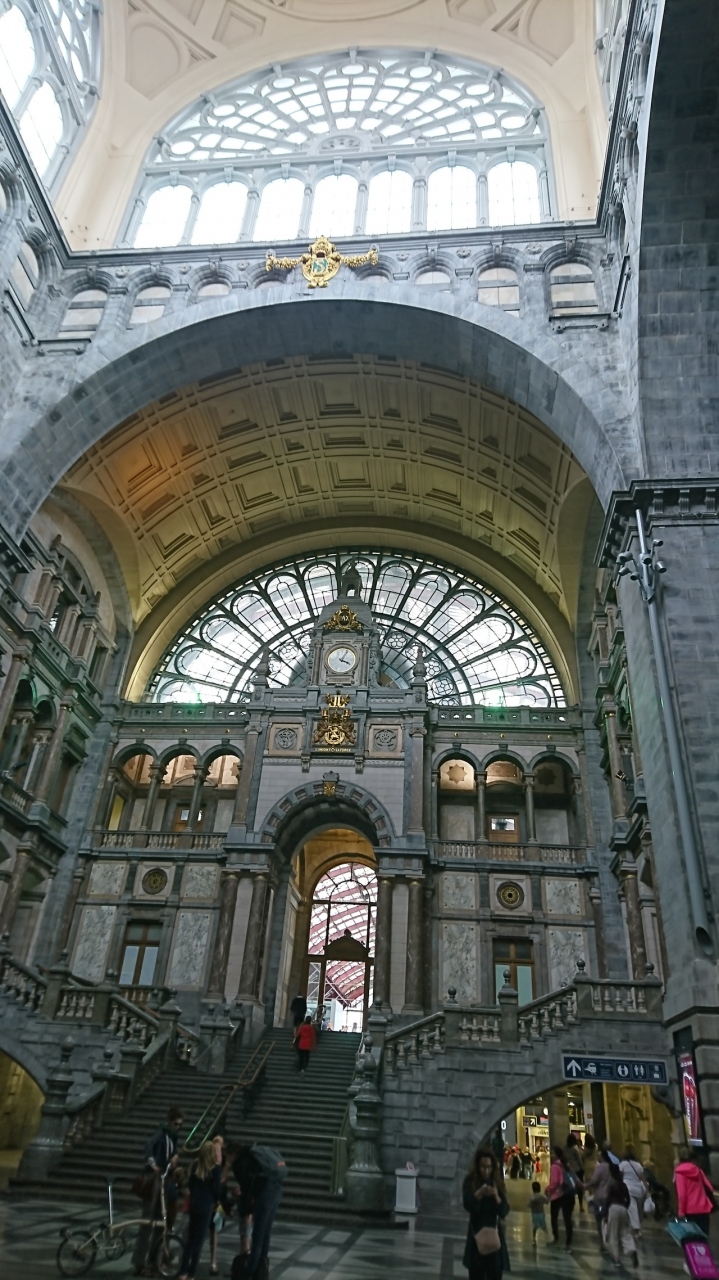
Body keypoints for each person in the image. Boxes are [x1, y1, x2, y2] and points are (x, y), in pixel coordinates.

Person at [133, 1105, 184, 1277]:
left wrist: (174, 1159)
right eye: (176, 1124)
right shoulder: (162, 1133)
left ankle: (154, 1261)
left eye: (180, 1125)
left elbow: (172, 1156)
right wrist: (152, 1163)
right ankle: (140, 1262)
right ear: (169, 1121)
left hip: (165, 1180)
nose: (177, 1127)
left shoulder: (173, 1137)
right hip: (155, 1179)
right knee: (147, 1222)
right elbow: (148, 1145)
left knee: (161, 1222)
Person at [231, 1141, 287, 1279]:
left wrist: (245, 1209)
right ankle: (262, 1266)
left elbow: (246, 1188)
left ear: (233, 1154)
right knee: (265, 1232)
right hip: (276, 1189)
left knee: (258, 1234)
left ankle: (250, 1270)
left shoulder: (239, 1162)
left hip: (265, 1194)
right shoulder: (252, 1156)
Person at [462, 1145, 510, 1280]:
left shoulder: (497, 1183)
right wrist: (480, 1193)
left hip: (494, 1235)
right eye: (483, 1167)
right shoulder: (470, 1181)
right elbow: (468, 1204)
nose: (486, 1171)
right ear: (477, 1166)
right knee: (476, 1274)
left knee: (495, 1274)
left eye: (489, 1167)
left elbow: (504, 1211)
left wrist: (496, 1195)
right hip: (476, 1235)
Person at [178, 1141, 223, 1280]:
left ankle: (183, 1272)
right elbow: (217, 1189)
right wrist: (216, 1201)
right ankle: (191, 1273)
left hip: (195, 1204)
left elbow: (190, 1184)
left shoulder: (197, 1165)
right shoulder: (215, 1168)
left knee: (190, 1239)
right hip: (206, 1205)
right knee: (199, 1240)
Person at [674, 1148, 717, 1235]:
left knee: (693, 1237)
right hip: (703, 1208)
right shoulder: (697, 1170)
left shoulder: (679, 1173)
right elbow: (710, 1187)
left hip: (690, 1210)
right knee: (704, 1236)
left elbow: (682, 1194)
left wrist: (681, 1212)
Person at [606, 1160, 638, 1269]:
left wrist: (605, 1213)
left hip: (613, 1208)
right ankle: (632, 1250)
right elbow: (628, 1199)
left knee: (613, 1234)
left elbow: (607, 1198)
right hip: (623, 1208)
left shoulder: (611, 1183)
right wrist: (625, 1207)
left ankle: (616, 1259)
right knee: (626, 1233)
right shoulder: (623, 1184)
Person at [547, 1145, 577, 1250]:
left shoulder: (555, 1166)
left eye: (552, 1153)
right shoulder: (566, 1164)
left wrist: (548, 1190)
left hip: (557, 1194)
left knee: (554, 1218)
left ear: (556, 1155)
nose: (551, 1155)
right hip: (568, 1194)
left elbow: (555, 1182)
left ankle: (556, 1238)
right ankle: (569, 1241)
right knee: (567, 1219)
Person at [586, 1149, 612, 1250]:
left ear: (603, 1157)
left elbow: (594, 1181)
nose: (597, 1157)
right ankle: (609, 1239)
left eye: (599, 1155)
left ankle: (602, 1241)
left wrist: (585, 1185)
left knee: (599, 1219)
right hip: (609, 1196)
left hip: (600, 1197)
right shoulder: (611, 1166)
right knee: (608, 1219)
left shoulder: (600, 1167)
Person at [620, 1144, 648, 1235]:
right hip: (638, 1190)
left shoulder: (623, 1164)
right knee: (639, 1210)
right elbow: (643, 1179)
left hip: (628, 1189)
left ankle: (636, 1229)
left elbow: (620, 1177)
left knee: (632, 1210)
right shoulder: (638, 1165)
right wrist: (647, 1191)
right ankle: (638, 1227)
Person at [565, 1135, 585, 1210]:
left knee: (571, 1187)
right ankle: (581, 1205)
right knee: (579, 1188)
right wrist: (583, 1168)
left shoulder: (565, 1148)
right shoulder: (575, 1149)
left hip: (569, 1170)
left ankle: (571, 1204)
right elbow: (579, 1160)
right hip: (577, 1170)